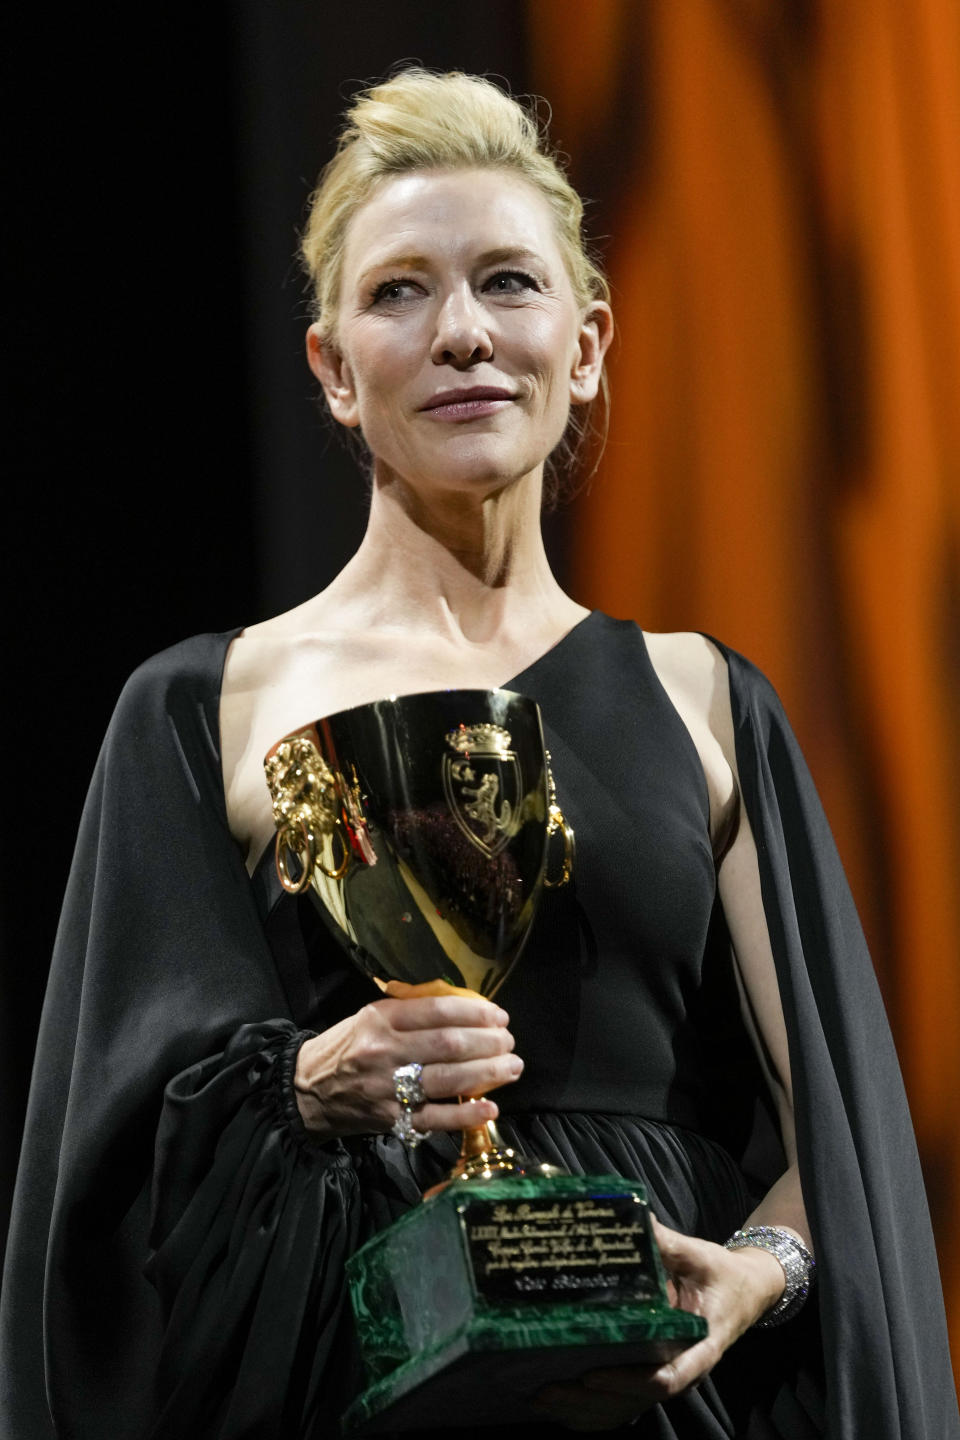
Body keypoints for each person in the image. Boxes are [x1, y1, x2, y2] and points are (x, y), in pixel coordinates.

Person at [1, 68, 956, 1440]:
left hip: (658, 1400)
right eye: (398, 292)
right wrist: (301, 1087)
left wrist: (763, 1273)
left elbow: (841, 1146)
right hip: (350, 1387)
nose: (460, 334)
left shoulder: (705, 699)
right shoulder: (204, 706)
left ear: (586, 346)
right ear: (332, 369)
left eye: (508, 282)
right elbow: (100, 1194)